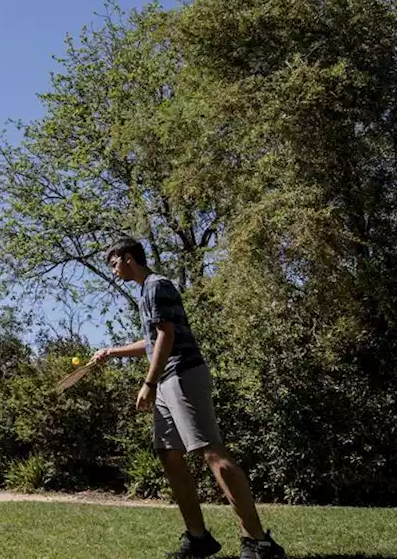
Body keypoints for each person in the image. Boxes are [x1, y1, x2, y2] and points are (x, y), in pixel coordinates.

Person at [93, 238, 286, 559]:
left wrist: (148, 382)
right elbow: (153, 340)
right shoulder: (145, 292)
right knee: (168, 454)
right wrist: (112, 352)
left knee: (213, 455)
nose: (113, 271)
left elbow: (167, 336)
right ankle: (198, 538)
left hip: (182, 374)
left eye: (114, 264)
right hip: (167, 378)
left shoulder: (156, 286)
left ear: (128, 258)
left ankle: (259, 541)